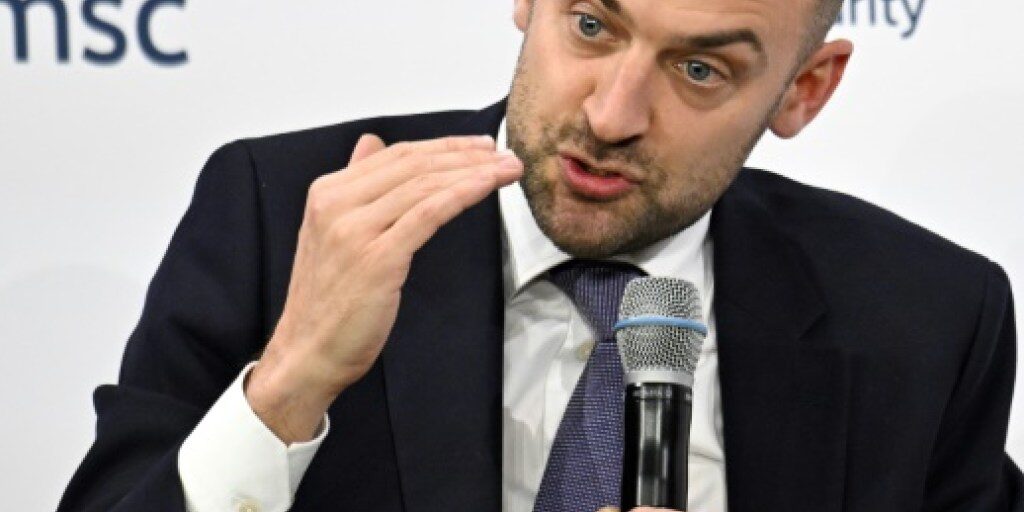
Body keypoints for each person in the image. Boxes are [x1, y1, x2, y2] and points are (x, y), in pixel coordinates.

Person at [59, 0, 1023, 511]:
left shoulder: (924, 319)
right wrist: (288, 386)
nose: (611, 114)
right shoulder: (284, 214)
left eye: (699, 70)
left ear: (804, 88)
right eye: (592, 26)